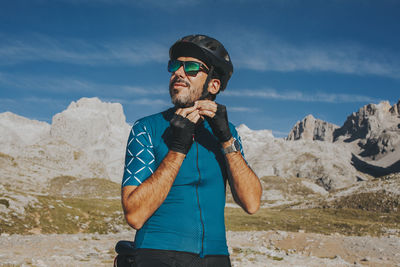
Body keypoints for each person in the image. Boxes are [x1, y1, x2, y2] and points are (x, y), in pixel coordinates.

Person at [118, 34, 262, 267]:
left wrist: (226, 139)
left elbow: (252, 203)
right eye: (175, 65)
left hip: (216, 258)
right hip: (157, 254)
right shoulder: (147, 128)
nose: (179, 72)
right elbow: (134, 215)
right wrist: (176, 149)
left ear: (214, 84)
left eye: (192, 67)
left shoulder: (228, 132)